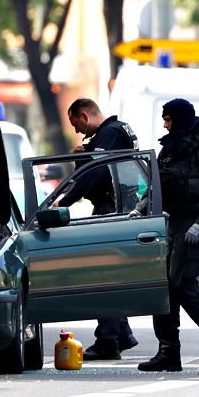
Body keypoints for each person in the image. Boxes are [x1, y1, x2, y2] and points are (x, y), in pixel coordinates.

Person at [134, 98, 199, 372]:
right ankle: (168, 351)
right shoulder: (171, 148)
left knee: (181, 282)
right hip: (173, 222)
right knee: (164, 285)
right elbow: (158, 186)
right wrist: (140, 209)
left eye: (169, 119)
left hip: (195, 222)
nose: (165, 125)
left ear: (180, 118)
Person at [56, 97, 139, 361]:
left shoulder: (110, 134)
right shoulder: (116, 132)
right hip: (119, 207)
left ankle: (107, 341)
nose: (77, 131)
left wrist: (63, 201)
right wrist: (82, 157)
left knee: (103, 278)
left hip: (110, 210)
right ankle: (121, 334)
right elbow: (98, 168)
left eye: (76, 124)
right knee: (111, 276)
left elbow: (96, 173)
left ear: (84, 115)